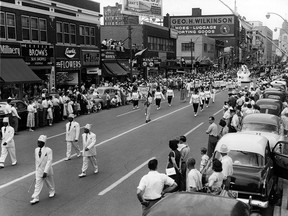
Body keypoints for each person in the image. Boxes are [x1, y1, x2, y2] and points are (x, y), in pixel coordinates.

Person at [30, 135, 55, 204]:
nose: (38, 143)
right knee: (37, 184)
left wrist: (45, 171)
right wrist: (36, 171)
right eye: (38, 142)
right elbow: (36, 161)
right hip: (39, 170)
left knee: (49, 183)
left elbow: (49, 161)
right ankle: (36, 197)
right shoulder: (36, 150)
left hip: (47, 170)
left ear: (43, 143)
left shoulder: (48, 150)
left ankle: (52, 191)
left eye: (40, 142)